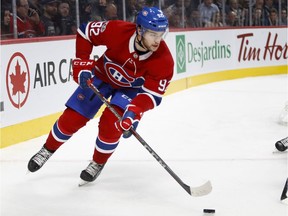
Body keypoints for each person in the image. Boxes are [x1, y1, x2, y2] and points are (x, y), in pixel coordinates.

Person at [27, 7, 174, 185]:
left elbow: (152, 95)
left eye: (160, 35)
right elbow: (85, 32)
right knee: (73, 118)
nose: (157, 40)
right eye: (152, 34)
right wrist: (82, 63)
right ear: (139, 30)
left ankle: (98, 162)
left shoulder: (164, 60)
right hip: (101, 76)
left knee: (111, 125)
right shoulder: (117, 30)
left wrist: (134, 111)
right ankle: (47, 150)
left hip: (130, 90)